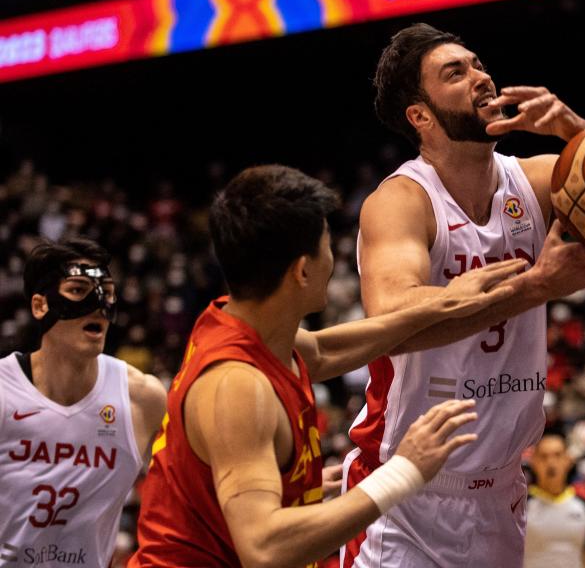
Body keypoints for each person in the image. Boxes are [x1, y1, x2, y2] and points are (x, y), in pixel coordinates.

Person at [344, 23, 585, 567]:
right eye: (456, 72)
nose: (481, 77)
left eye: (478, 64)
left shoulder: (534, 180)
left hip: (501, 494)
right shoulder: (403, 200)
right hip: (407, 492)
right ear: (420, 116)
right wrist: (536, 285)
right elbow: (392, 314)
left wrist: (574, 128)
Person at [132, 165, 525, 567]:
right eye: (326, 248)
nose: (333, 260)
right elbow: (265, 548)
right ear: (302, 270)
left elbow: (322, 353)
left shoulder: (239, 327)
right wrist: (404, 471)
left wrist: (439, 303)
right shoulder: (235, 386)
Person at [0, 238, 166, 567]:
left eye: (106, 290)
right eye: (78, 290)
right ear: (40, 306)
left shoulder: (142, 399)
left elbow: (182, 505)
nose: (97, 304)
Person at [524, 434, 585, 568]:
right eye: (544, 457)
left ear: (568, 460)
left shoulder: (584, 506)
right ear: (533, 462)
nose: (551, 463)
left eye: (557, 455)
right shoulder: (520, 507)